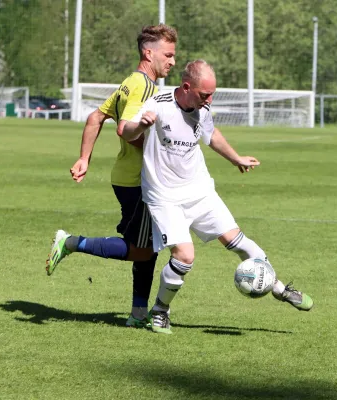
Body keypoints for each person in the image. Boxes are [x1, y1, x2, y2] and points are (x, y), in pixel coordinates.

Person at [121, 60, 313, 335]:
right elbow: (126, 132)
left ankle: (280, 289)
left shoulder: (203, 109)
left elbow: (211, 136)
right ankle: (160, 311)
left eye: (212, 94)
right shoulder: (158, 103)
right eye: (204, 95)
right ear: (187, 87)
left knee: (240, 243)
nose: (210, 100)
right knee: (185, 256)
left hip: (200, 192)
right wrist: (140, 124)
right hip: (164, 196)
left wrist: (235, 158)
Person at [46, 24, 177, 328]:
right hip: (138, 180)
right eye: (168, 55)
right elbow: (125, 129)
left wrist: (83, 159)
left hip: (128, 177)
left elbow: (96, 117)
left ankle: (138, 313)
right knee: (140, 250)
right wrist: (162, 153)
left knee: (148, 248)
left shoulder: (130, 83)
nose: (172, 61)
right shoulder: (143, 87)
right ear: (149, 52)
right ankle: (71, 243)